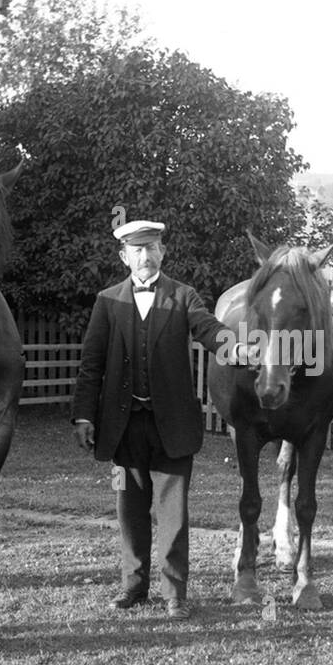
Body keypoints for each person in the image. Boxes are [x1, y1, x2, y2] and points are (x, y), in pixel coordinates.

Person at [72, 216, 248, 619]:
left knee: (174, 514)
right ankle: (133, 587)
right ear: (123, 256)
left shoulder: (184, 296)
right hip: (123, 427)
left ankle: (174, 593)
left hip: (173, 425)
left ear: (162, 252)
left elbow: (209, 329)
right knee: (129, 511)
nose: (145, 256)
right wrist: (83, 416)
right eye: (137, 250)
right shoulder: (107, 301)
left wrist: (235, 349)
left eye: (152, 248)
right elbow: (91, 364)